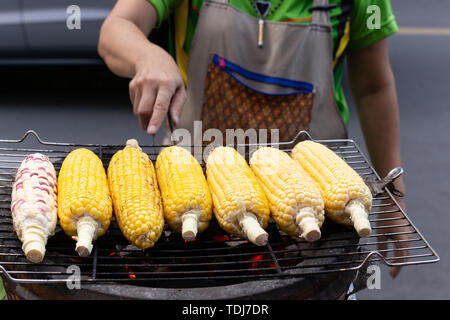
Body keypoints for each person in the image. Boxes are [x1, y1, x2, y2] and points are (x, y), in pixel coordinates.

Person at [98, 0, 410, 279]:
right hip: (196, 213)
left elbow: (374, 88)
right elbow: (117, 27)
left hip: (321, 215)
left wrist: (395, 200)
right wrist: (147, 54)